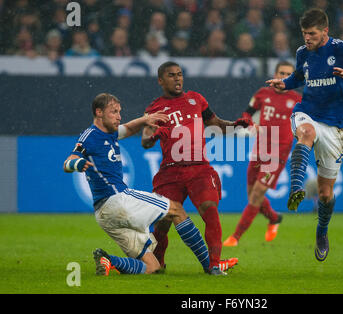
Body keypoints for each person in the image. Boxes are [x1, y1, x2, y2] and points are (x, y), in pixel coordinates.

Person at [266, 8, 343, 261]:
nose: (307, 38)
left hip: (335, 124)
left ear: (325, 31)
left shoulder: (340, 48)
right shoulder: (302, 53)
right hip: (308, 112)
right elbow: (298, 77)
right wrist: (285, 84)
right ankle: (296, 188)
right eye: (305, 33)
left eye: (312, 34)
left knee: (326, 194)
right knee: (306, 131)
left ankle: (322, 232)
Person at [63, 93, 213, 275]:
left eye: (119, 112)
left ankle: (109, 260)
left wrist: (145, 120)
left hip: (105, 215)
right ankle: (210, 265)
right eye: (113, 112)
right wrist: (76, 163)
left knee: (152, 267)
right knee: (176, 209)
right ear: (99, 112)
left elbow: (128, 128)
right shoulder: (90, 135)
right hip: (117, 200)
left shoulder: (110, 133)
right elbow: (69, 161)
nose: (119, 116)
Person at [141, 61, 252, 275]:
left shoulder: (196, 99)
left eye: (180, 74)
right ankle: (159, 262)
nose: (177, 79)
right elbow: (145, 140)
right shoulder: (154, 109)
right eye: (172, 75)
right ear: (160, 81)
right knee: (163, 223)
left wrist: (236, 125)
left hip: (199, 168)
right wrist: (154, 135)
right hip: (171, 171)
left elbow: (217, 124)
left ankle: (214, 264)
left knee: (210, 210)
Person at [223, 61, 302, 247]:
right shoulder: (263, 93)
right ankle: (274, 218)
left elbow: (307, 122)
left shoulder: (298, 100)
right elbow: (246, 113)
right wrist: (250, 124)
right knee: (251, 194)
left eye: (288, 74)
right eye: (281, 72)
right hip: (259, 149)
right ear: (274, 74)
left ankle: (235, 237)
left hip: (278, 154)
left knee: (257, 194)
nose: (284, 76)